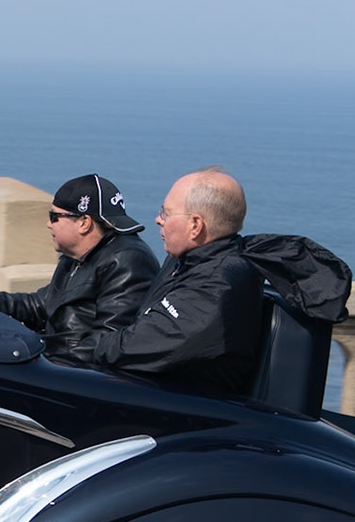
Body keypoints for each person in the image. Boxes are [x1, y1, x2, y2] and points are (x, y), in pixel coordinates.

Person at [0, 174, 159, 363]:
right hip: (60, 364)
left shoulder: (127, 261)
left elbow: (109, 343)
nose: (48, 223)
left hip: (82, 379)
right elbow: (38, 306)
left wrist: (39, 354)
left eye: (54, 216)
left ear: (84, 223)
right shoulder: (75, 257)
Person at [90, 168, 263, 395]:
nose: (158, 220)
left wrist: (78, 347)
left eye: (166, 213)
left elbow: (130, 348)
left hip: (188, 411)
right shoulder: (188, 262)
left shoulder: (213, 286)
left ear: (195, 226)